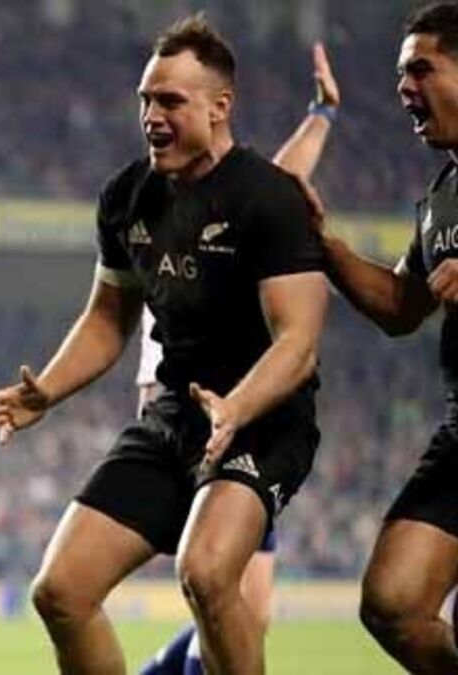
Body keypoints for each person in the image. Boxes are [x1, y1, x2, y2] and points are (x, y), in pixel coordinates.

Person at [0, 15, 328, 675]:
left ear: (220, 106)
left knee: (207, 573)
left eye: (170, 101)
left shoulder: (267, 198)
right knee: (60, 591)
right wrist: (47, 391)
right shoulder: (127, 196)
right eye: (145, 100)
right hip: (172, 419)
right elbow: (107, 320)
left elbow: (298, 343)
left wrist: (235, 407)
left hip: (262, 422)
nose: (151, 116)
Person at [137, 42, 341, 675]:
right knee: (229, 608)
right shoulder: (170, 223)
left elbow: (282, 180)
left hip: (230, 415)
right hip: (207, 421)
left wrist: (321, 117)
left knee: (231, 611)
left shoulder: (226, 214)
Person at [298, 4, 458, 671]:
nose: (403, 87)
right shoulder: (442, 197)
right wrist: (322, 244)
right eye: (400, 74)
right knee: (394, 601)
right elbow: (399, 306)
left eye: (421, 69)